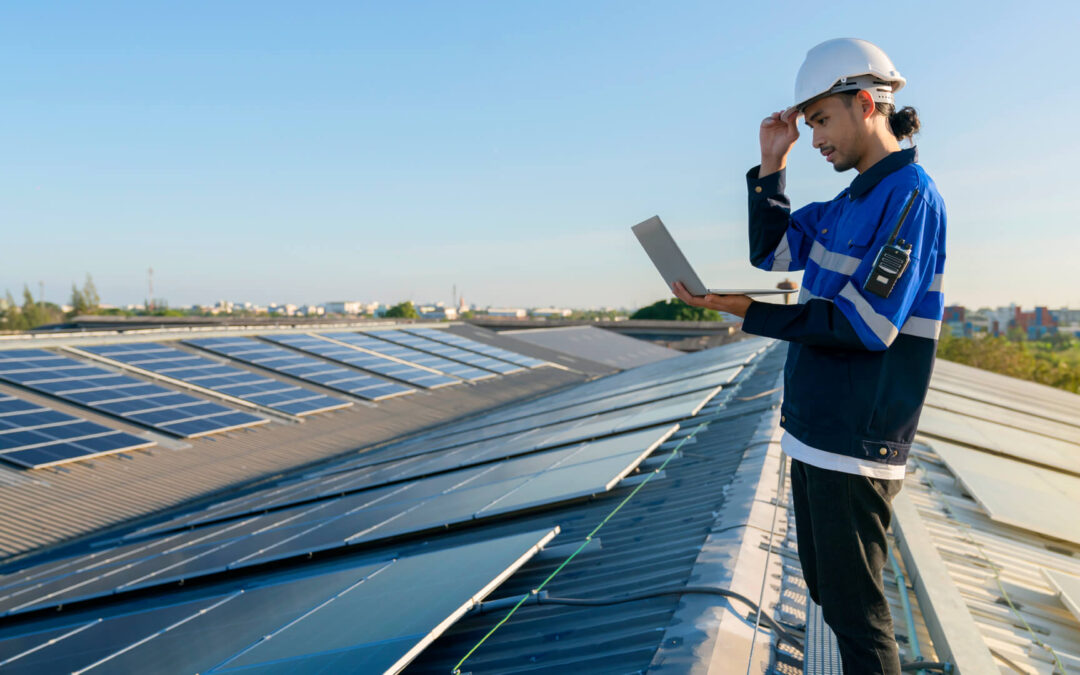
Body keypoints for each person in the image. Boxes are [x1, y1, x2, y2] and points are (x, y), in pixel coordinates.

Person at [672, 38, 946, 675]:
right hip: (816, 430)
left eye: (821, 119)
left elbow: (867, 325)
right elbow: (773, 256)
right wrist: (773, 162)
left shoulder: (910, 196)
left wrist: (744, 309)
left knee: (857, 613)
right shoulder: (848, 203)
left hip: (857, 437)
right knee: (830, 594)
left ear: (867, 103)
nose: (815, 136)